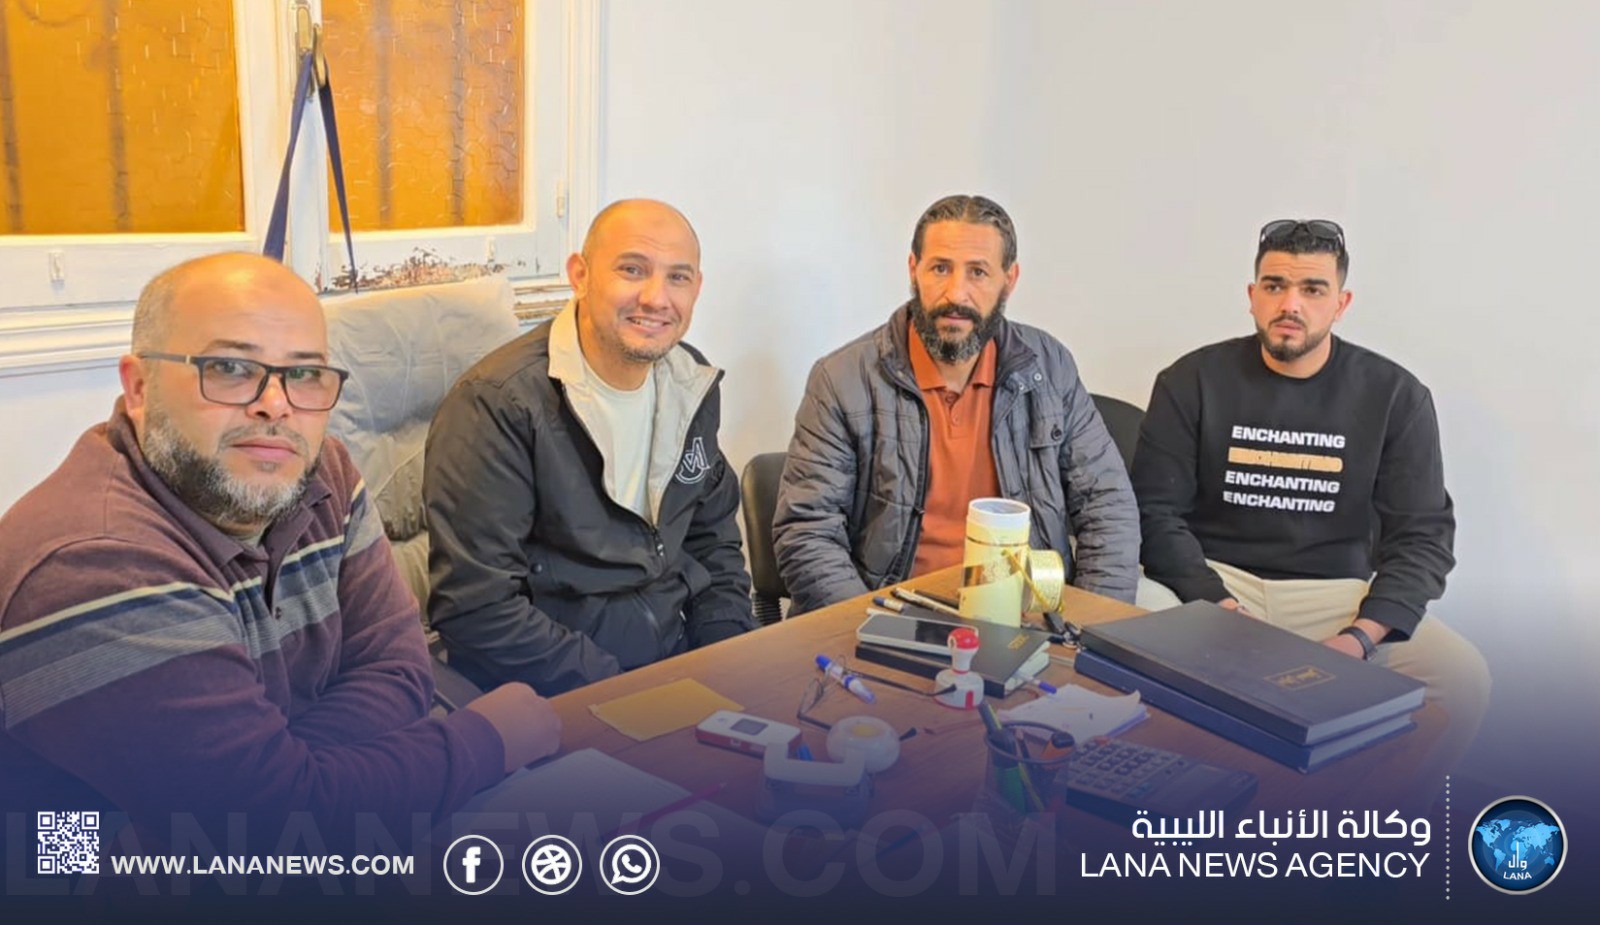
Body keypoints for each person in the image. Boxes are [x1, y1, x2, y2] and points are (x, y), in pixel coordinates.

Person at [0, 253, 561, 853]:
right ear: (140, 388)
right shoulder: (94, 563)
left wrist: (288, 776)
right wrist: (488, 740)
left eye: (306, 373)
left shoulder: (320, 472)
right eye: (230, 368)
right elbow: (269, 832)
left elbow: (399, 670)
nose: (277, 404)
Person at [1133, 219, 1490, 776]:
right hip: (1210, 584)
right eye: (1274, 286)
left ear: (1341, 303)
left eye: (1312, 289)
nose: (1290, 304)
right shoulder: (1191, 379)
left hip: (1334, 595)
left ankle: (1364, 816)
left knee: (1461, 680)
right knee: (1128, 627)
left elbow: (1423, 537)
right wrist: (1217, 607)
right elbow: (1154, 513)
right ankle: (1172, 800)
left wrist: (1360, 638)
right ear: (1252, 296)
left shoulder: (1395, 395)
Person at [425, 199, 754, 695]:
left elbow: (714, 541)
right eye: (632, 269)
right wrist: (623, 693)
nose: (656, 298)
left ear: (697, 288)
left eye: (678, 277)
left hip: (676, 668)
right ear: (580, 275)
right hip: (560, 692)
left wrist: (725, 659)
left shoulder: (689, 382)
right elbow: (477, 608)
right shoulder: (497, 404)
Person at [773, 194, 1140, 615]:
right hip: (888, 615)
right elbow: (807, 531)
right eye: (940, 268)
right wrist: (872, 627)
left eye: (978, 272)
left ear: (1009, 279)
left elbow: (1108, 506)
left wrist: (1090, 625)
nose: (956, 293)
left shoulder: (1049, 366)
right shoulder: (842, 378)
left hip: (1024, 617)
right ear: (913, 269)